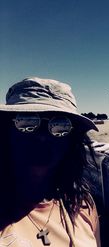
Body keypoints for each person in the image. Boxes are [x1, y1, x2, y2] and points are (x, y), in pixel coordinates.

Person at [0, 77, 101, 247]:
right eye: (27, 122)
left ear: (72, 139)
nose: (42, 137)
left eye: (60, 125)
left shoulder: (81, 204)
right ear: (5, 132)